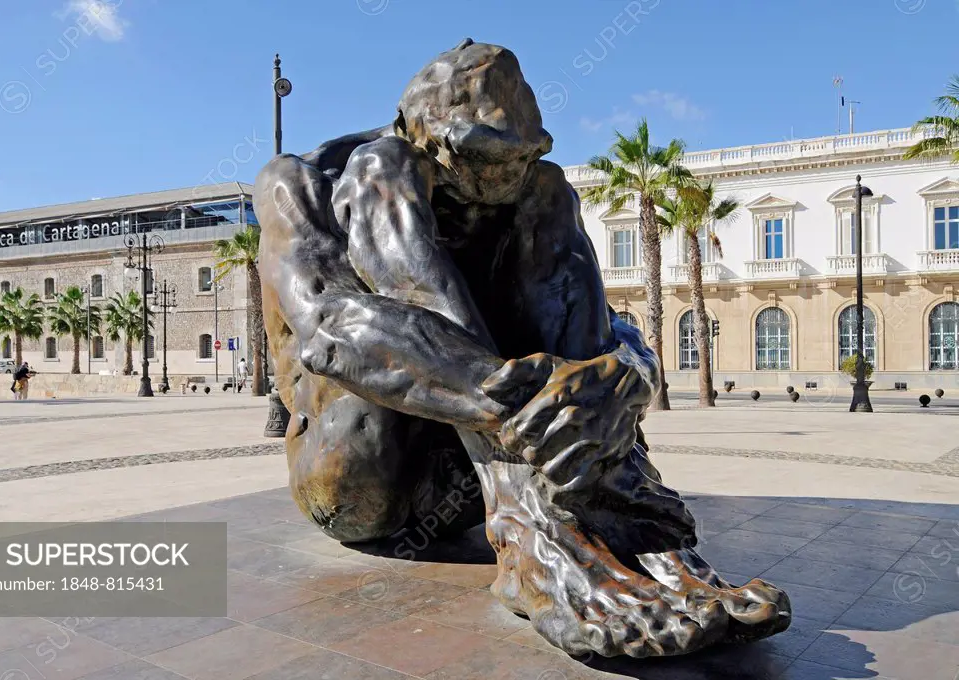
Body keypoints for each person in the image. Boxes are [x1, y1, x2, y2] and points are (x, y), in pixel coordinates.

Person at [254, 40, 789, 658]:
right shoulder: (304, 182)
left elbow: (607, 328)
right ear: (423, 136)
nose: (506, 176)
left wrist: (625, 375)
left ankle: (639, 534)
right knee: (382, 183)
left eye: (523, 154)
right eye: (484, 157)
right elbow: (331, 330)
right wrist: (529, 405)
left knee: (552, 198)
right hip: (366, 478)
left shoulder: (533, 190)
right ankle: (540, 545)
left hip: (476, 479)